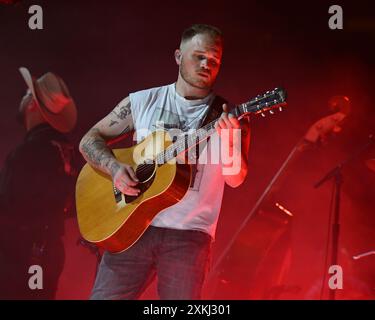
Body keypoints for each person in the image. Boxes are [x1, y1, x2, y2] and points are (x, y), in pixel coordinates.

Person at [79, 24, 251, 300]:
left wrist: (230, 139)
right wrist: (114, 169)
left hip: (189, 236)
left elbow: (236, 178)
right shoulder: (141, 101)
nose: (207, 64)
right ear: (178, 56)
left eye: (214, 60)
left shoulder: (229, 116)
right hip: (132, 226)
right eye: (199, 56)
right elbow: (89, 139)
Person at [0, 67, 78, 299]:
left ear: (33, 104)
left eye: (27, 94)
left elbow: (8, 205)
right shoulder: (68, 152)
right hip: (49, 252)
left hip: (17, 256)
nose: (23, 98)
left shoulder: (29, 151)